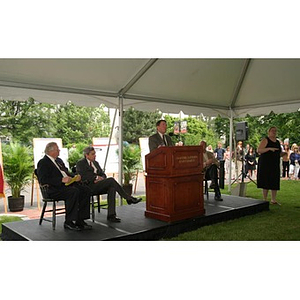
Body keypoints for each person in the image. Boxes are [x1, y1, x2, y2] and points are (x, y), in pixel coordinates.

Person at [76, 146, 142, 223]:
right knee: (111, 180)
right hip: (90, 186)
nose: (95, 156)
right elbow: (83, 176)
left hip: (99, 184)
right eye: (92, 154)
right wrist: (96, 178)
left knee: (112, 188)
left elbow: (103, 174)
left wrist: (102, 178)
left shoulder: (95, 163)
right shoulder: (81, 163)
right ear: (86, 155)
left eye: (95, 154)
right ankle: (128, 198)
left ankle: (111, 215)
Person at [37, 142, 91, 231]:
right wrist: (60, 180)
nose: (59, 150)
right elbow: (43, 180)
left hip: (66, 186)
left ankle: (80, 220)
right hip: (53, 189)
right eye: (57, 149)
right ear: (51, 151)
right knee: (73, 192)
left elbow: (66, 172)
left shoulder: (59, 161)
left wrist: (75, 176)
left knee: (85, 190)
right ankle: (69, 222)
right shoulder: (43, 163)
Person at [257, 126, 285, 205]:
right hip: (266, 164)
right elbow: (259, 150)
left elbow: (278, 153)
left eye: (275, 131)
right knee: (266, 180)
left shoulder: (278, 142)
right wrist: (269, 149)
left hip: (274, 163)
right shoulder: (265, 140)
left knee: (274, 180)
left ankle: (273, 199)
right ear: (268, 132)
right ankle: (265, 199)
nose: (274, 132)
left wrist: (283, 154)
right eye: (272, 131)